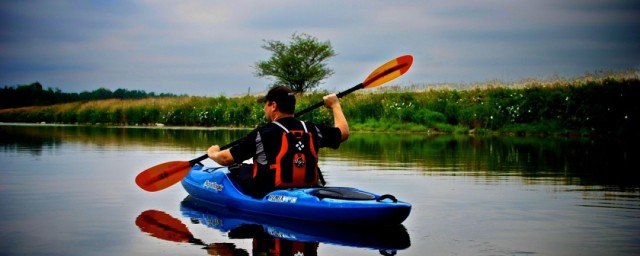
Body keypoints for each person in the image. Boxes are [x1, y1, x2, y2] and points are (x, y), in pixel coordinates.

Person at [207, 86, 349, 197]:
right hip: (308, 189)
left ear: (273, 106)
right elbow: (343, 133)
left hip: (269, 193)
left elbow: (225, 159)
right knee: (246, 168)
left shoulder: (262, 133)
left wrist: (213, 153)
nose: (264, 108)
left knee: (236, 169)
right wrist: (335, 105)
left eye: (266, 104)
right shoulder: (311, 129)